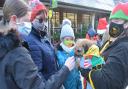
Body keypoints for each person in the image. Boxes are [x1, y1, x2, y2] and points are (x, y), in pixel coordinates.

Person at [0, 0, 75, 89]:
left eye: (46, 20)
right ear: (13, 19)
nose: (29, 24)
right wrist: (65, 69)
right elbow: (38, 83)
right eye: (27, 20)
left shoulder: (42, 37)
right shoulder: (20, 49)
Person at [79, 2, 128, 89]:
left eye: (116, 21)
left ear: (126, 24)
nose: (112, 24)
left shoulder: (123, 48)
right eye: (111, 21)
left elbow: (106, 82)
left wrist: (86, 72)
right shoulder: (114, 42)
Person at [26, 2, 59, 80]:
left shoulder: (43, 36)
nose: (44, 23)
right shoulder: (31, 41)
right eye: (41, 20)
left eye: (46, 20)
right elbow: (38, 77)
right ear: (32, 19)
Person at [56, 23, 82, 89]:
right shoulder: (57, 53)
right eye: (67, 39)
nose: (69, 41)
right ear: (62, 39)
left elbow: (77, 74)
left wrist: (80, 87)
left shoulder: (75, 52)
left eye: (71, 39)